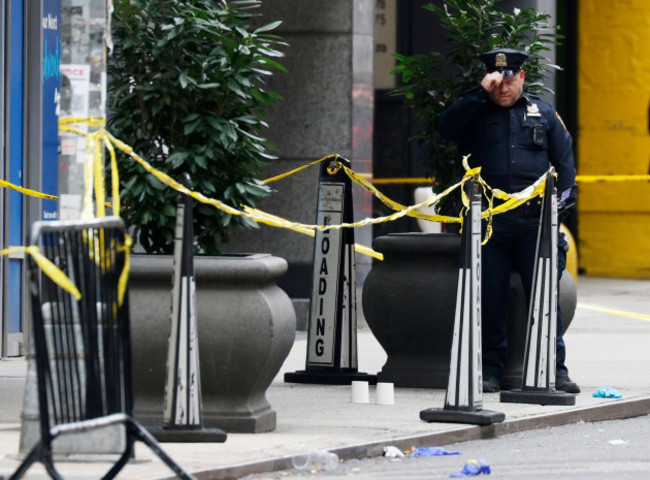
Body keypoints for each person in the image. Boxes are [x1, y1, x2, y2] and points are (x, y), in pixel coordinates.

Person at [436, 48, 579, 394]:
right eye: (497, 82)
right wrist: (478, 92)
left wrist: (556, 214)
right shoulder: (474, 111)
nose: (504, 88)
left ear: (522, 78)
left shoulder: (543, 114)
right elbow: (444, 128)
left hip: (535, 224)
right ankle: (490, 370)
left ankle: (554, 369)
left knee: (545, 296)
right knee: (491, 298)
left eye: (510, 80)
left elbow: (566, 169)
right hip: (490, 224)